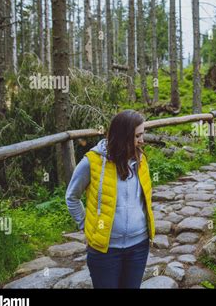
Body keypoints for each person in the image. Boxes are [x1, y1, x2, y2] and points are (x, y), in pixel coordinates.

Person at [65, 110, 155, 288]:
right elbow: (72, 197)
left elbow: (143, 200)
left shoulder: (141, 160)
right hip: (105, 250)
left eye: (142, 134)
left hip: (139, 246)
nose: (142, 141)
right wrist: (86, 225)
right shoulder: (92, 162)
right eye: (137, 136)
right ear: (123, 136)